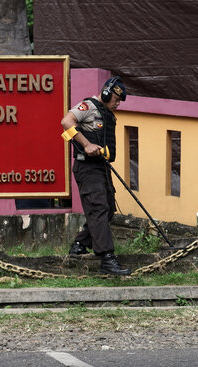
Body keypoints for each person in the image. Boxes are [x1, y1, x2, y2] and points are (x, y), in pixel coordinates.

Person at [60, 76, 131, 276]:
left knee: (107, 209)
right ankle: (107, 258)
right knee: (98, 208)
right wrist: (86, 144)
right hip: (87, 169)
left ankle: (80, 245)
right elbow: (66, 121)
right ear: (107, 93)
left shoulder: (106, 113)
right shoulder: (88, 106)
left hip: (101, 168)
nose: (117, 104)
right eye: (116, 99)